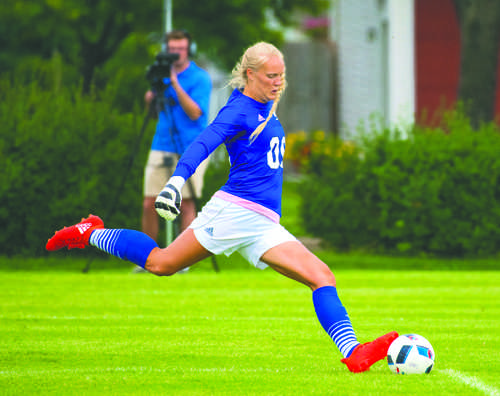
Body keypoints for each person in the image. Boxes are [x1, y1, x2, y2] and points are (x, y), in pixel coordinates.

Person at [46, 42, 398, 373]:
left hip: (263, 223)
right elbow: (203, 143)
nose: (278, 82)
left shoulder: (265, 105)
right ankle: (90, 232)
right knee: (162, 263)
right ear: (250, 75)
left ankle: (353, 355)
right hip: (233, 212)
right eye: (270, 76)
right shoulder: (239, 109)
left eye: (281, 75)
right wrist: (175, 183)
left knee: (322, 276)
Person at [143, 29, 212, 240]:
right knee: (149, 203)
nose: (176, 53)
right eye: (172, 49)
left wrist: (175, 83)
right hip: (161, 143)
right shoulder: (160, 76)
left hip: (192, 147)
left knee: (186, 202)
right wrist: (150, 99)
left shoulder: (200, 78)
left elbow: (194, 113)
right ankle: (147, 257)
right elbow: (154, 114)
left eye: (180, 49)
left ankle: (182, 260)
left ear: (189, 50)